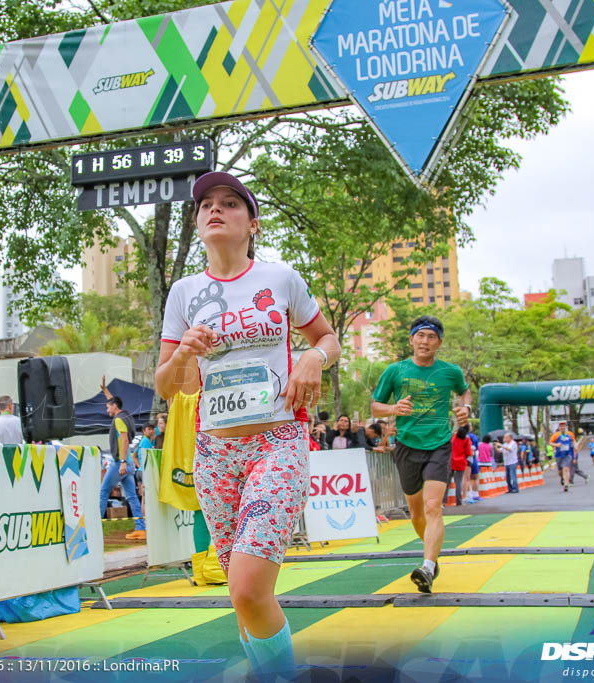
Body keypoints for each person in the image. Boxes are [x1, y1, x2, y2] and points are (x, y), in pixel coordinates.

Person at [154, 170, 339, 678]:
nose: (215, 210)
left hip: (276, 444)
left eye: (230, 204)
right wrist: (183, 354)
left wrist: (312, 360)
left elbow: (328, 339)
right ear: (197, 224)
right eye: (206, 205)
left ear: (252, 223)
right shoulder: (184, 293)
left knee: (246, 588)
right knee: (243, 597)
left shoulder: (280, 279)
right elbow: (170, 387)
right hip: (214, 453)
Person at [371, 315, 471, 593]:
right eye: (420, 336)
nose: (425, 341)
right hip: (406, 446)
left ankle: (427, 565)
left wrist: (466, 409)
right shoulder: (395, 371)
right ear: (411, 339)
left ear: (439, 342)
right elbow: (376, 407)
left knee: (432, 507)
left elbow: (465, 393)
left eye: (431, 337)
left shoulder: (450, 372)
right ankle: (432, 555)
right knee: (416, 513)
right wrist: (393, 409)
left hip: (439, 444)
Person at [99, 396, 146, 540]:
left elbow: (124, 439)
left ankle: (95, 527)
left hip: (120, 462)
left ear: (114, 406)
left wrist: (123, 462)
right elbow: (116, 400)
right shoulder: (126, 415)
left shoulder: (118, 420)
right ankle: (141, 529)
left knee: (103, 491)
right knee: (132, 496)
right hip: (129, 463)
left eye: (108, 407)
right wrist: (106, 391)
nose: (107, 410)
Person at [549, 421, 577, 492]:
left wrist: (575, 446)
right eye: (561, 426)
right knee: (560, 472)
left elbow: (574, 441)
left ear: (566, 427)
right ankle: (562, 478)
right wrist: (556, 445)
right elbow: (550, 442)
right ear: (559, 427)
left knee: (566, 469)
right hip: (559, 455)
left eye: (564, 426)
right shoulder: (556, 435)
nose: (562, 427)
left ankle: (566, 485)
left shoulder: (570, 434)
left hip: (567, 455)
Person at [448, 426, 471, 506]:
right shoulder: (466, 439)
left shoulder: (452, 436)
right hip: (461, 462)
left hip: (450, 461)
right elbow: (468, 452)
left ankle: (443, 502)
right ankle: (459, 501)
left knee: (447, 482)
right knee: (458, 482)